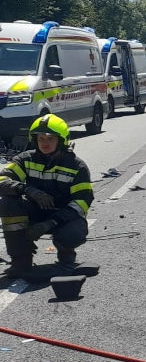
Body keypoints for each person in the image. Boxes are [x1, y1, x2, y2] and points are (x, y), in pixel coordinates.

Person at [0, 114, 94, 278]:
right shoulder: (26, 159)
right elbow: (2, 180)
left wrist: (50, 223)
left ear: (61, 140)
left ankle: (66, 257)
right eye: (41, 138)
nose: (45, 143)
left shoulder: (77, 166)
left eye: (50, 139)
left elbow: (82, 202)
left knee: (72, 234)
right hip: (35, 211)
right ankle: (21, 260)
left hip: (65, 216)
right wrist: (28, 190)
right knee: (8, 202)